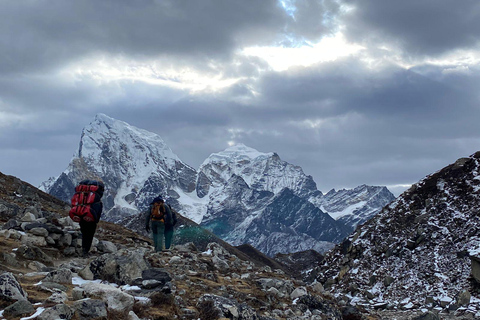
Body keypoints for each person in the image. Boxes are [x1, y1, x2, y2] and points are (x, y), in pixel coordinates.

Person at [69, 179, 104, 257]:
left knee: (84, 232)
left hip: (81, 213)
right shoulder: (96, 197)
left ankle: (83, 250)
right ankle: (85, 251)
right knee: (89, 234)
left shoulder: (82, 194)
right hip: (90, 216)